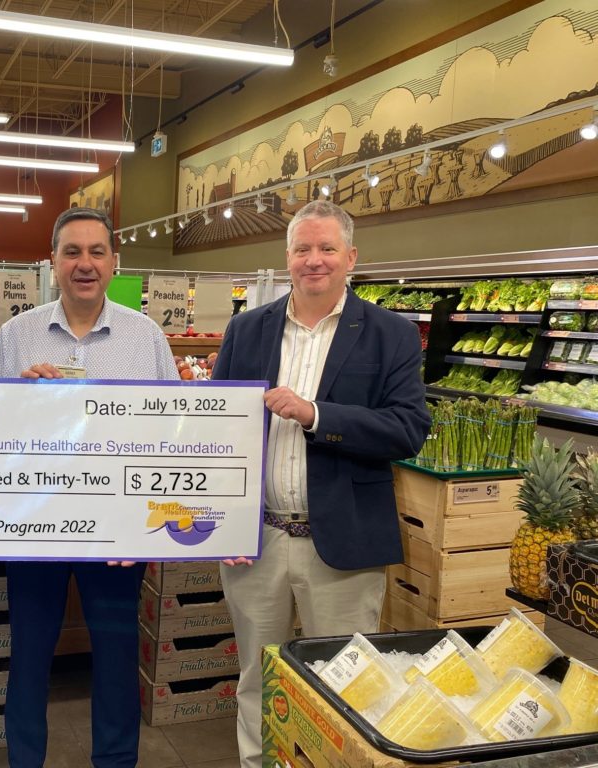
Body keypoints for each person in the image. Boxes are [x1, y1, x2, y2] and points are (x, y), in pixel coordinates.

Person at [211, 200, 430, 767]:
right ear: (287, 258)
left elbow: (408, 429)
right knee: (257, 681)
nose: (314, 260)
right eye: (303, 249)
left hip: (343, 547)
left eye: (327, 248)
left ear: (351, 257)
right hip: (256, 543)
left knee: (345, 688)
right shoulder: (246, 330)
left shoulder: (391, 333)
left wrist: (317, 415)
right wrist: (221, 523)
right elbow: (214, 430)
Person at [0, 207, 179, 768]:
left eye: (96, 252)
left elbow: (173, 430)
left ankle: (115, 762)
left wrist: (150, 522)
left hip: (116, 530)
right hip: (34, 522)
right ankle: (25, 760)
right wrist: (16, 394)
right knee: (31, 653)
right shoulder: (17, 336)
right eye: (72, 252)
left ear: (115, 262)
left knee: (116, 654)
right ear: (53, 263)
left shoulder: (146, 337)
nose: (84, 264)